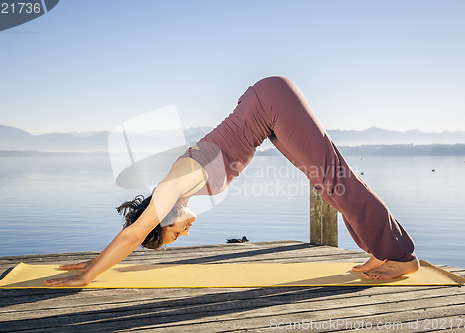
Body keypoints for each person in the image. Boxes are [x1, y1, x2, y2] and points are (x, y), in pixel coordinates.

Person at [44, 76, 419, 287]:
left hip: (270, 103)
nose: (184, 235)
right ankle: (383, 251)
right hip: (265, 111)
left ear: (165, 216)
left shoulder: (171, 187)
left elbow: (134, 234)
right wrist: (91, 263)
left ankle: (401, 257)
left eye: (175, 234)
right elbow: (136, 233)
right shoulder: (181, 186)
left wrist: (87, 276)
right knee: (326, 184)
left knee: (334, 178)